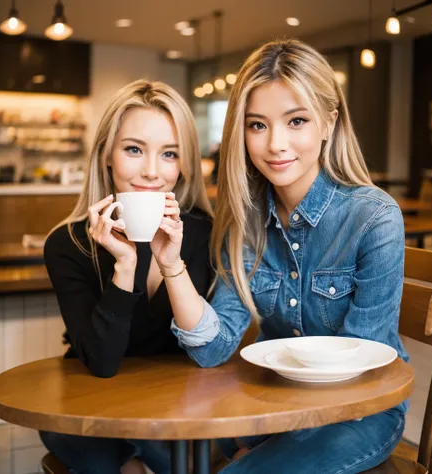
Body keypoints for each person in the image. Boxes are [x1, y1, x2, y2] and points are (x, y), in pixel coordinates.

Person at [168, 39, 409, 473]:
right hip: (272, 400)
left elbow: (362, 363)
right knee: (171, 444)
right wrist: (171, 266)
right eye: (257, 125)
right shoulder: (244, 219)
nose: (276, 144)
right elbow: (213, 349)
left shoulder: (373, 218)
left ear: (328, 123)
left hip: (357, 413)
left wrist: (268, 445)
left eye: (296, 120)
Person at [40, 80, 213, 474]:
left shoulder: (206, 234)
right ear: (107, 155)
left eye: (169, 154)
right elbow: (101, 363)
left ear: (184, 164)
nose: (151, 172)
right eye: (134, 149)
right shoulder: (67, 244)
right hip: (90, 398)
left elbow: (208, 350)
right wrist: (126, 264)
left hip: (174, 405)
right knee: (105, 464)